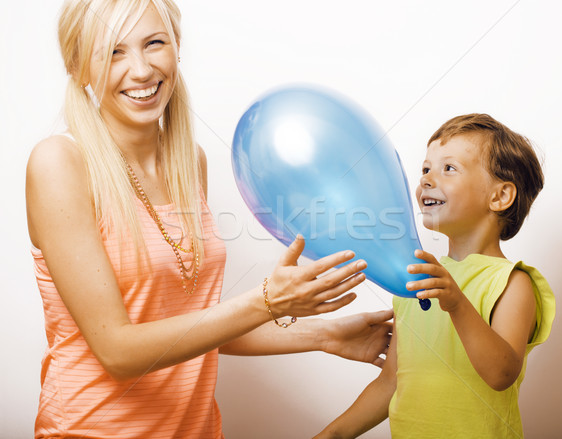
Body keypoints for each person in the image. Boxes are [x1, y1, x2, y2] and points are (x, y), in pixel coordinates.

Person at [25, 0, 394, 437]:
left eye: (154, 43)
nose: (141, 70)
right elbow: (117, 350)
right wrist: (267, 301)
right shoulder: (59, 163)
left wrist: (322, 334)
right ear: (77, 66)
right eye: (114, 52)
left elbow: (190, 328)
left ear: (176, 47)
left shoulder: (188, 161)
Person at [315, 114, 556, 438]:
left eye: (448, 168)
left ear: (499, 196)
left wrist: (457, 304)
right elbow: (391, 382)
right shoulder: (416, 279)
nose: (427, 180)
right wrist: (332, 434)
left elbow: (501, 374)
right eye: (425, 169)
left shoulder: (512, 282)